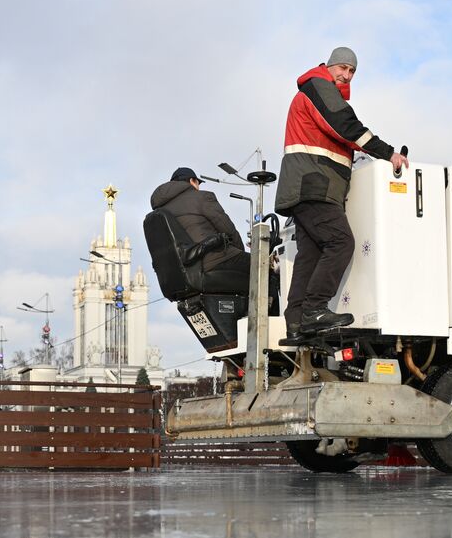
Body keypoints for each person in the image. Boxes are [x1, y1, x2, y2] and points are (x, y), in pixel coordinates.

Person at [275, 46, 407, 339]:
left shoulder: (314, 90)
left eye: (352, 72)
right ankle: (314, 310)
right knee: (341, 242)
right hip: (314, 185)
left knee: (309, 256)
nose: (346, 76)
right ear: (329, 66)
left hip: (306, 186)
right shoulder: (318, 87)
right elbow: (346, 126)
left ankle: (296, 323)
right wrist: (388, 153)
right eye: (342, 68)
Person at [149, 167, 254, 295]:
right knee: (264, 269)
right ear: (192, 181)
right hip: (213, 261)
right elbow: (228, 230)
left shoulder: (160, 211)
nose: (198, 187)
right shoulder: (203, 197)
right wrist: (239, 253)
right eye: (198, 183)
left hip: (182, 275)